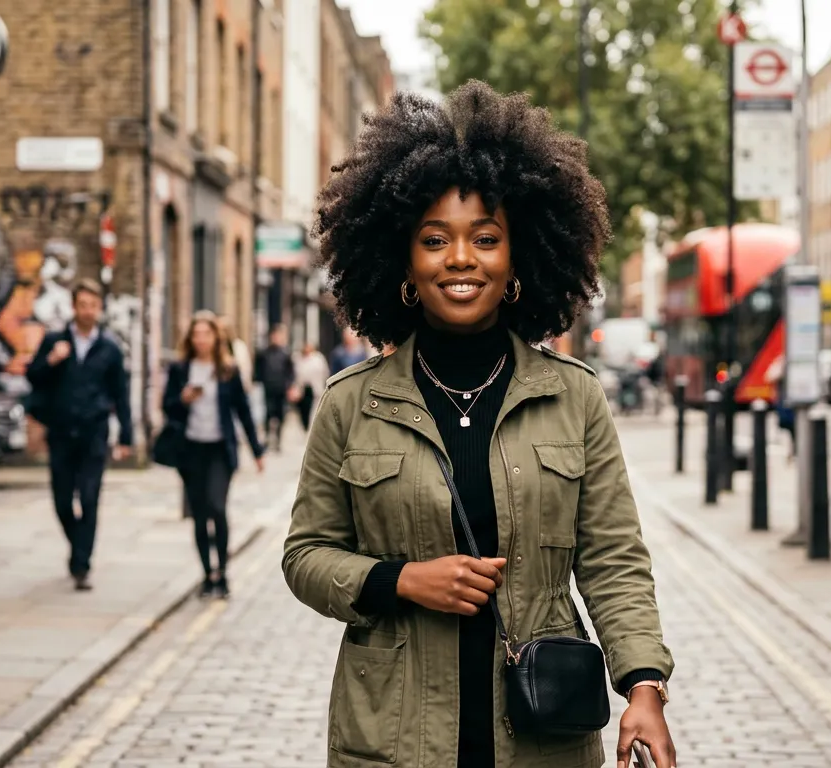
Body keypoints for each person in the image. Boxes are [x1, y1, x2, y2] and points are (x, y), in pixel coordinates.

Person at [283, 82, 676, 768]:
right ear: (404, 259)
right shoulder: (352, 402)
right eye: (435, 239)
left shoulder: (574, 397)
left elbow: (614, 561)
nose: (461, 258)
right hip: (395, 735)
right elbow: (307, 554)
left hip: (541, 737)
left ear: (517, 257)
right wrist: (400, 580)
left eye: (485, 239)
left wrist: (643, 687)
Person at [25, 278, 133, 591]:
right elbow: (33, 376)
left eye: (93, 305)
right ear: (73, 306)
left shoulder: (109, 348)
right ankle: (79, 546)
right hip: (60, 433)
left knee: (88, 499)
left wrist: (126, 437)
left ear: (99, 309)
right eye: (82, 305)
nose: (87, 311)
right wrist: (51, 360)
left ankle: (81, 565)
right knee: (61, 502)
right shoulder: (56, 340)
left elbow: (120, 395)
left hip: (94, 435)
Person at [161, 311, 265, 598]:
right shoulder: (180, 369)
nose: (201, 339)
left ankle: (223, 572)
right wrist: (182, 399)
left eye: (207, 334)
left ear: (215, 338)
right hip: (191, 449)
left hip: (220, 449)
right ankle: (208, 575)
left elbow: (243, 411)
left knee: (217, 508)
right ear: (190, 338)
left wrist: (257, 451)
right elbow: (167, 407)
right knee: (199, 513)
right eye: (197, 334)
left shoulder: (227, 370)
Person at [255, 324, 295, 452]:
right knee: (268, 413)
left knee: (280, 414)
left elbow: (290, 373)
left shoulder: (285, 354)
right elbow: (258, 371)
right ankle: (267, 437)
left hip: (281, 389)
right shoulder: (263, 353)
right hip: (268, 388)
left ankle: (278, 439)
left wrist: (290, 387)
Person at [291, 342, 329, 432]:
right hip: (302, 389)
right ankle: (305, 428)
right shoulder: (298, 358)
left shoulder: (318, 359)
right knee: (303, 411)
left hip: (315, 388)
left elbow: (325, 373)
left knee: (314, 411)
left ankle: (312, 430)